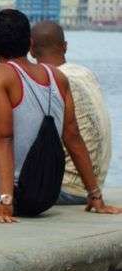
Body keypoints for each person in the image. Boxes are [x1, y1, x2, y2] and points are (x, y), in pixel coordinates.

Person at [0, 10, 118, 222]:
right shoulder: (58, 77)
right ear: (29, 43)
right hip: (43, 197)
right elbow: (73, 136)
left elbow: (4, 137)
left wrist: (5, 202)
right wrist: (95, 196)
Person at [30, 21, 114, 208]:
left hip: (66, 188)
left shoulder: (49, 80)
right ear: (65, 46)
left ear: (31, 49)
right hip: (94, 184)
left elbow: (69, 134)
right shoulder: (84, 73)